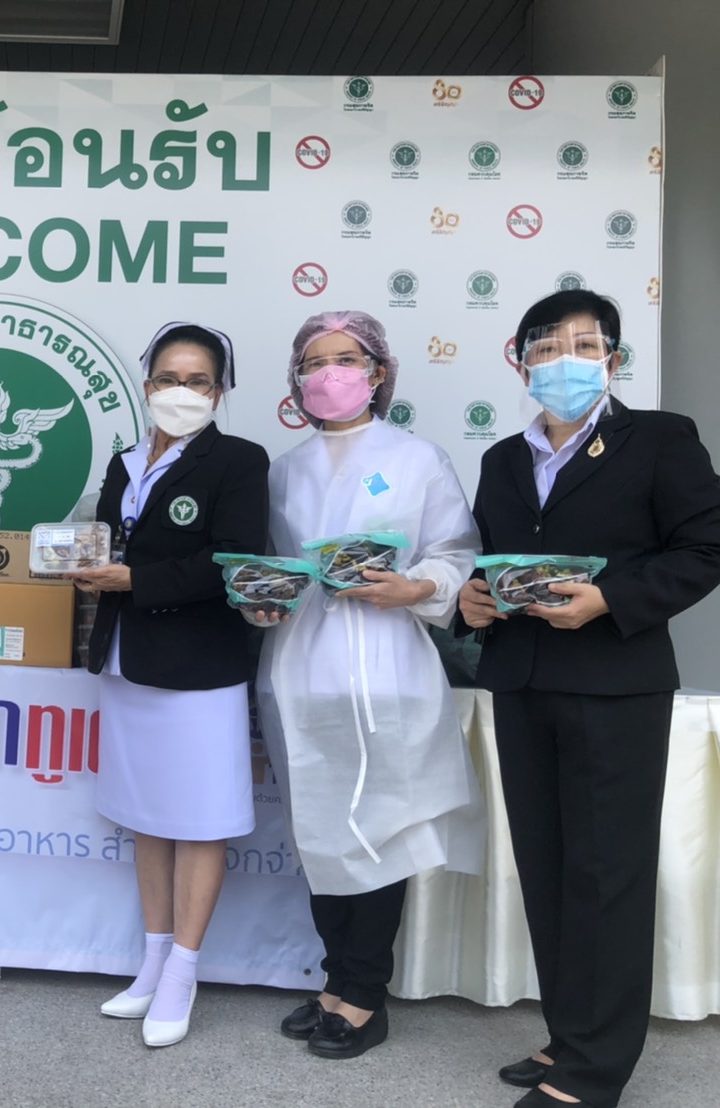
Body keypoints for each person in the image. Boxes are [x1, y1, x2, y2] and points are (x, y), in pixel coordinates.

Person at [457, 290, 720, 1108]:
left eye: (583, 344)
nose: (563, 360)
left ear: (612, 359)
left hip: (615, 684)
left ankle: (595, 1072)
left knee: (607, 874)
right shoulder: (503, 459)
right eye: (545, 347)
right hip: (523, 681)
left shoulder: (661, 439)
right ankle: (570, 1035)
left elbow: (706, 546)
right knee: (548, 868)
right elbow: (489, 558)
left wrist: (611, 600)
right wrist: (472, 600)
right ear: (521, 363)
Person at [256, 310, 485, 1060]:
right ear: (297, 380)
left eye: (347, 359)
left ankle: (364, 994)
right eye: (314, 362)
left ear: (379, 372)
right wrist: (262, 598)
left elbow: (456, 552)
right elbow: (274, 564)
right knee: (320, 832)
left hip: (387, 669)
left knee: (378, 830)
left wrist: (415, 586)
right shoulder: (283, 469)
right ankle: (334, 981)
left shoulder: (417, 458)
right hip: (301, 671)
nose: (330, 374)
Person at [74, 322, 269, 1048]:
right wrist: (87, 566)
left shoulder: (239, 460)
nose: (179, 392)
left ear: (219, 391)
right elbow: (109, 540)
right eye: (167, 379)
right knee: (147, 815)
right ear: (146, 383)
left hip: (199, 666)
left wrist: (136, 580)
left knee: (200, 819)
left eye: (197, 381)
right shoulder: (125, 461)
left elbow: (233, 559)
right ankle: (152, 961)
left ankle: (184, 969)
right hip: (129, 659)